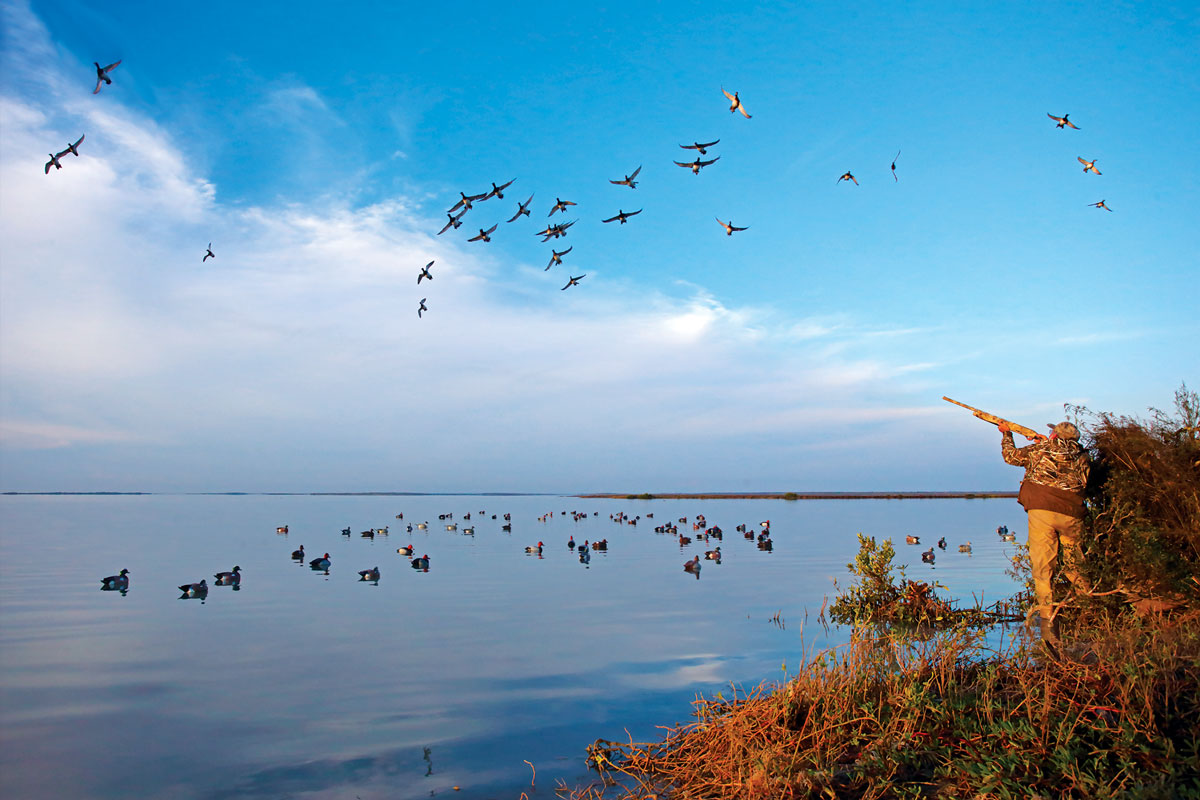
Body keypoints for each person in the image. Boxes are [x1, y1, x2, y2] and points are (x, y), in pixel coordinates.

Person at [999, 420, 1091, 639]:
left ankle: (1047, 621)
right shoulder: (1083, 456)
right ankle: (1090, 609)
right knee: (1075, 563)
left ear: (1055, 435)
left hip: (1042, 511)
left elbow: (1010, 457)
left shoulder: (1041, 449)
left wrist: (1006, 434)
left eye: (1052, 432)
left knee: (1043, 567)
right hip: (1073, 513)